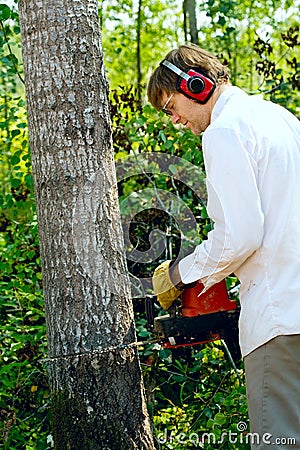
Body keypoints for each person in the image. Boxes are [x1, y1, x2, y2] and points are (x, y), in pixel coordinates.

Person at [148, 44, 300, 449]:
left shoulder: (224, 130)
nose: (175, 119)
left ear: (195, 84)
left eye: (171, 106)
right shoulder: (280, 118)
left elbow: (240, 235)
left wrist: (179, 274)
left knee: (279, 441)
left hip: (279, 318)